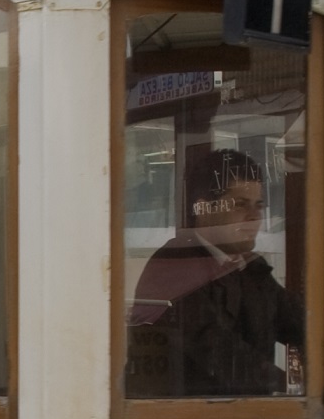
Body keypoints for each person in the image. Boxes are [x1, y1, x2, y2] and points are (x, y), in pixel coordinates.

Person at [126, 145, 305, 397]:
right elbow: (223, 356)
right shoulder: (175, 268)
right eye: (240, 205)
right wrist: (292, 390)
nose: (254, 217)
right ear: (204, 208)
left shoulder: (247, 266)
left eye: (259, 205)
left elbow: (299, 321)